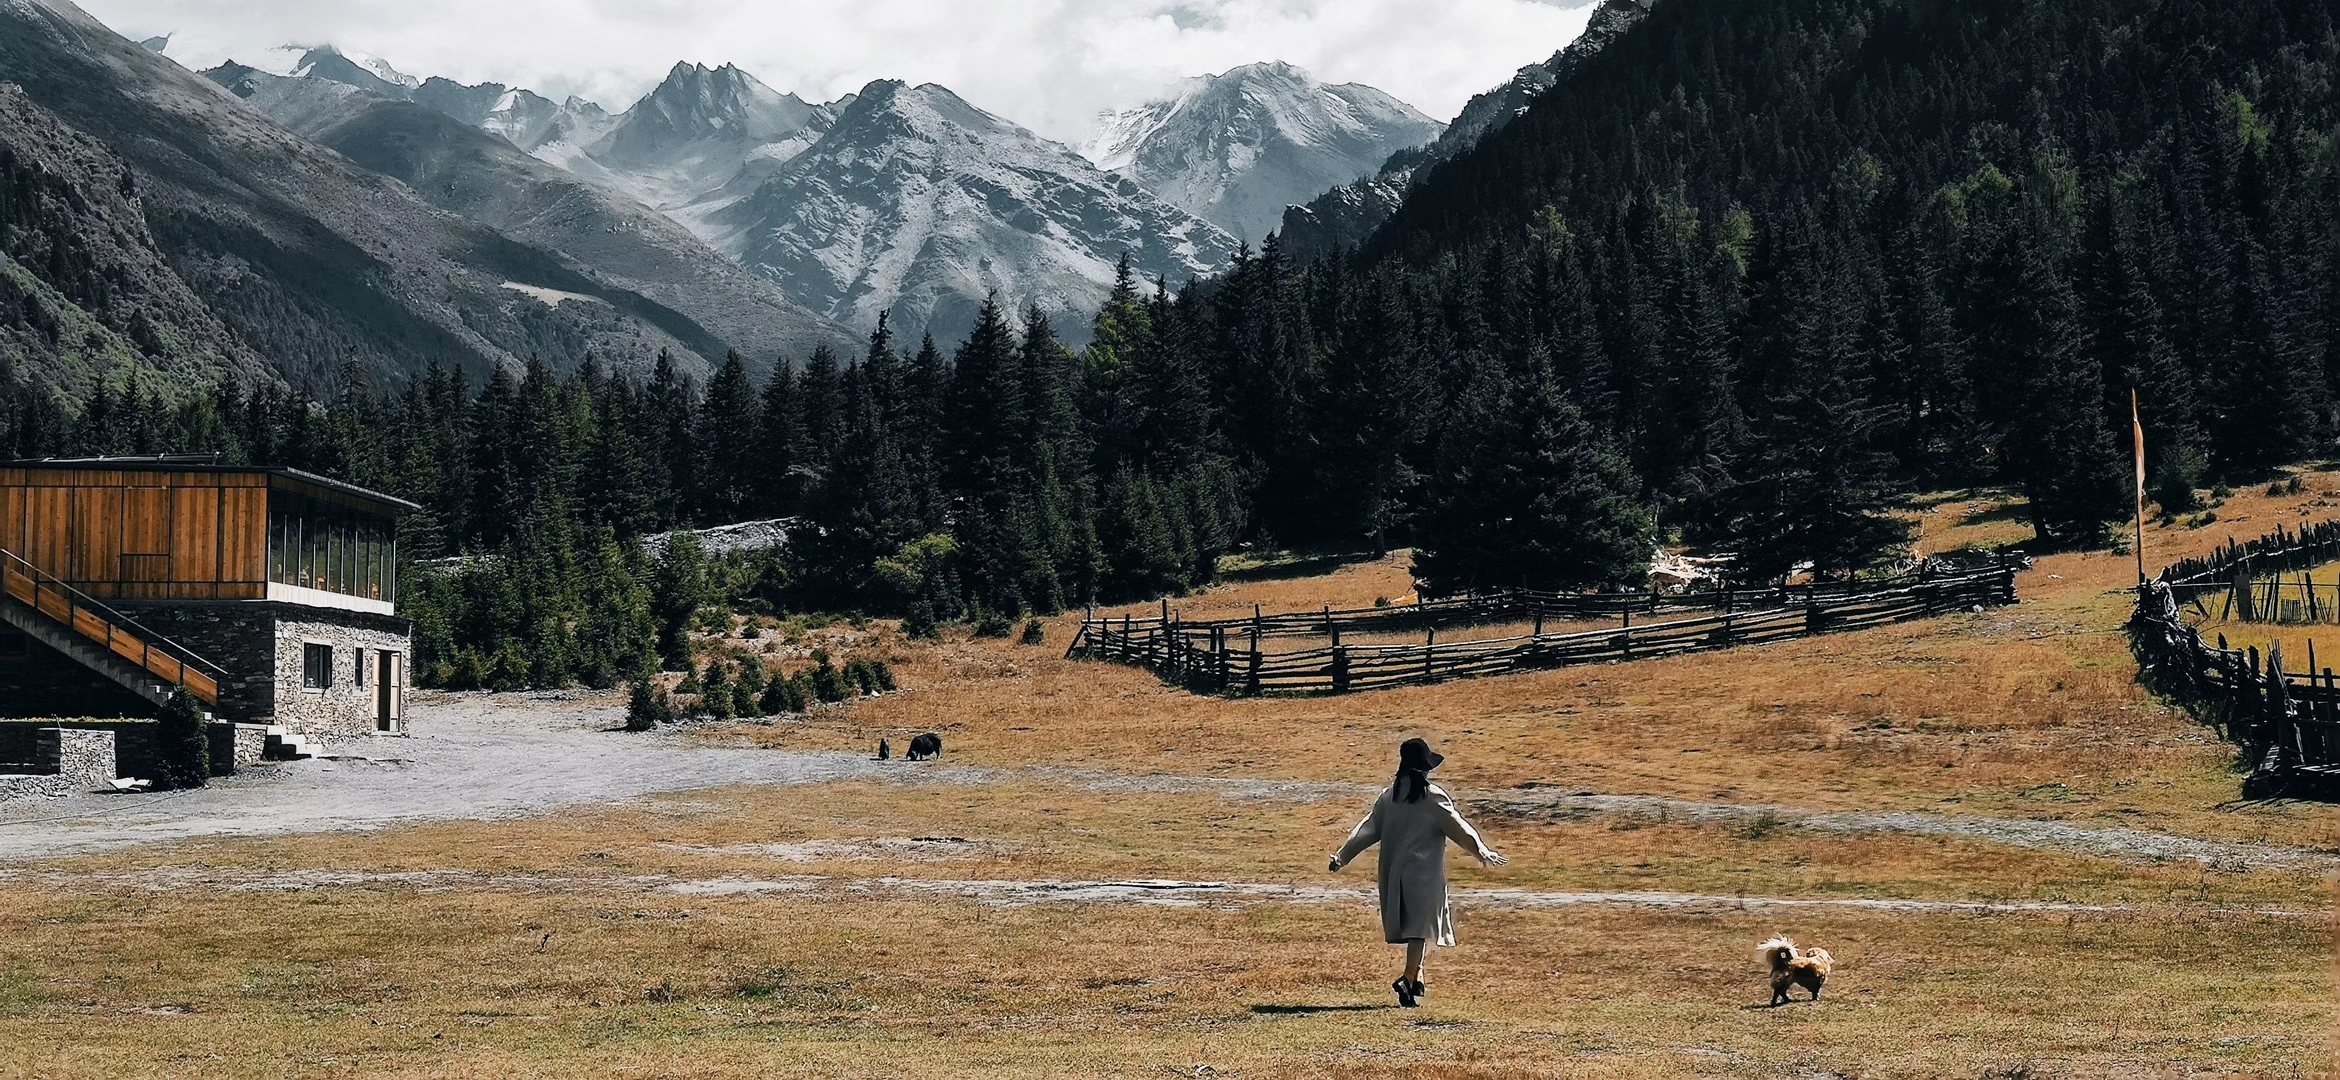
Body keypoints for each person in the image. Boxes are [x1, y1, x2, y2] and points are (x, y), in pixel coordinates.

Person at [1328, 738, 1506, 1008]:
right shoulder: (1431, 797)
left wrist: (1342, 856)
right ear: (1424, 768)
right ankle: (1408, 978)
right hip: (1423, 874)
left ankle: (1417, 978)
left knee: (1416, 930)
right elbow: (1459, 827)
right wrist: (1481, 851)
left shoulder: (1390, 796)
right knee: (1419, 929)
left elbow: (1367, 829)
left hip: (1394, 874)